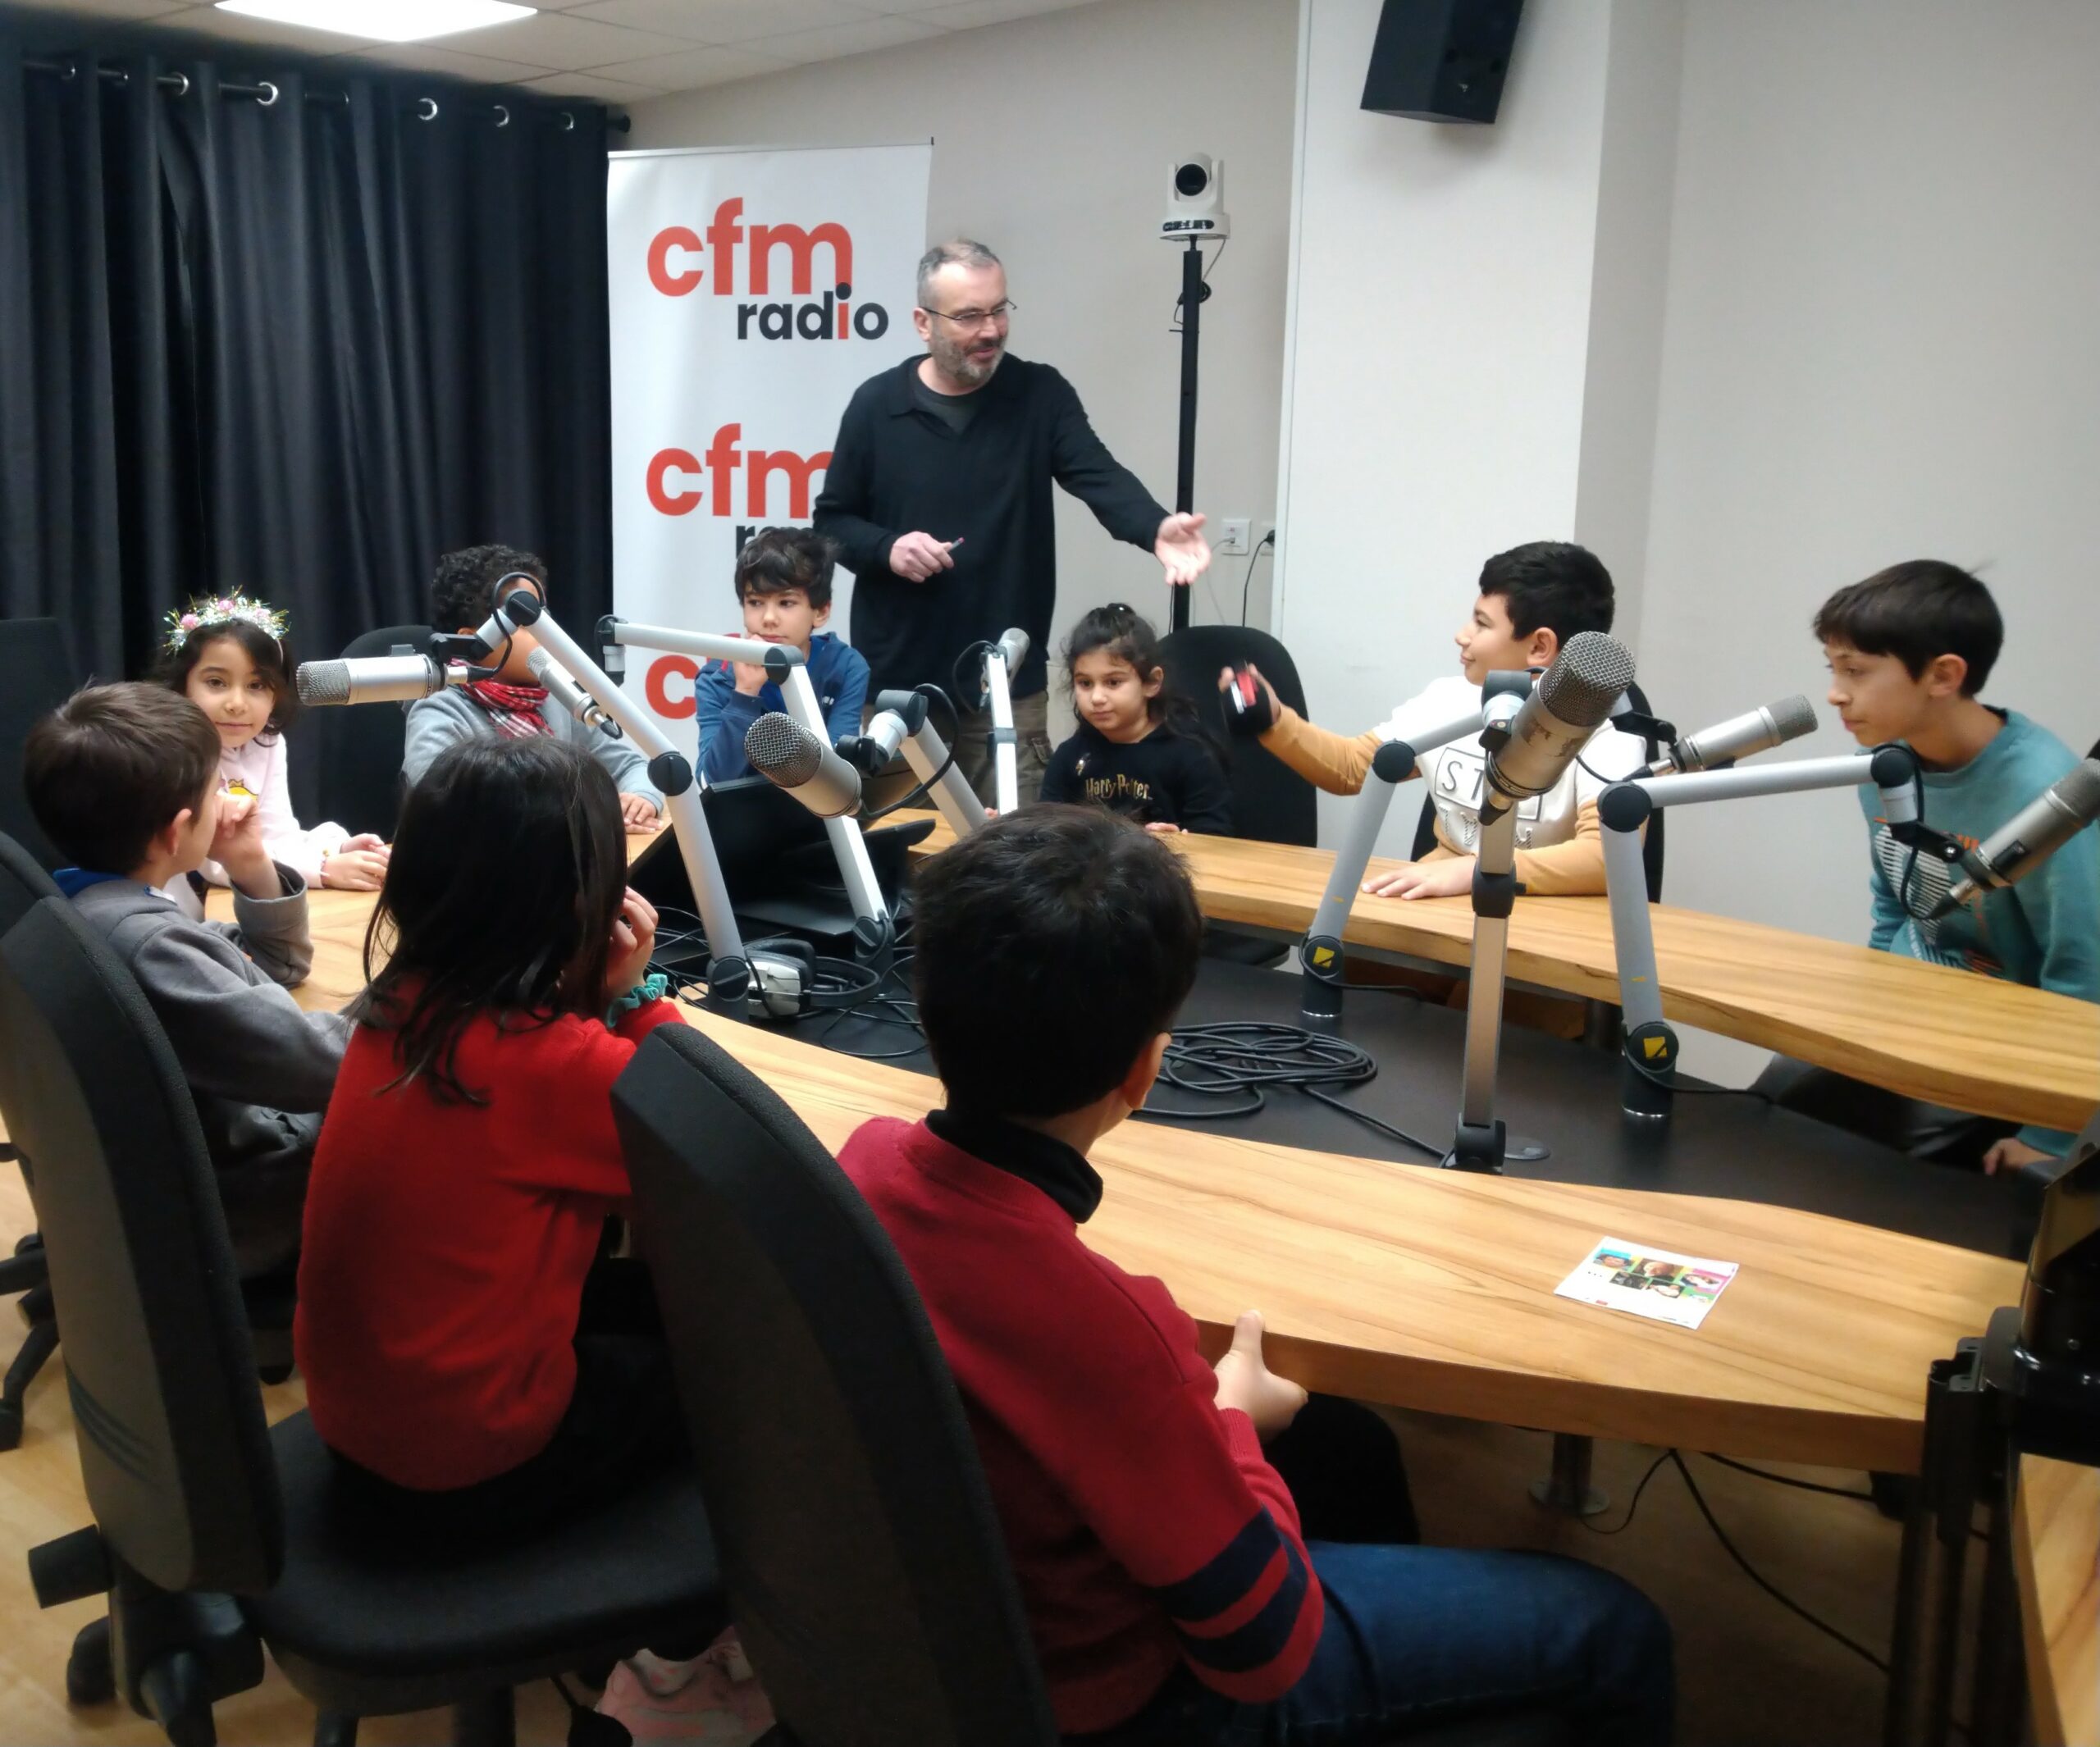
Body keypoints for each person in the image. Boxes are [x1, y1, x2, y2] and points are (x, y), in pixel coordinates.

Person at [837, 807, 1673, 1745]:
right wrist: (1231, 1419)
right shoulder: (1113, 1331)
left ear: (927, 1013)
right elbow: (1262, 1648)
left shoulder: (860, 1165)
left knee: (1350, 1447)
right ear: (1145, 1072)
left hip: (948, 1638)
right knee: (1615, 1627)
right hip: (1118, 1701)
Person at [295, 736, 685, 1547]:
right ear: (586, 902)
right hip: (468, 1466)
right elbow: (699, 1143)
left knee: (637, 1298)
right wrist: (638, 998)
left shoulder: (396, 1002)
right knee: (739, 1350)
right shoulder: (555, 1064)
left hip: (360, 1425)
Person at [813, 238, 1213, 807]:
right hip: (900, 693)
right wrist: (888, 548)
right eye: (969, 316)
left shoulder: (1038, 394)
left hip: (1006, 687)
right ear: (923, 323)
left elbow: (1097, 473)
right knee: (903, 849)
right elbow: (831, 523)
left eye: (999, 310)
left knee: (1014, 854)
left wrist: (1154, 528)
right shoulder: (876, 405)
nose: (991, 330)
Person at [1755, 561, 2100, 1174]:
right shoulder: (1885, 764)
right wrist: (1861, 1034)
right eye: (1833, 669)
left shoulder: (2044, 793)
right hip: (1909, 1023)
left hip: (1999, 1051)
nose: (1836, 693)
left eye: (1856, 671)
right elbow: (1893, 907)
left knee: (1834, 1163)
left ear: (1943, 675)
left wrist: (2050, 1135)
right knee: (1766, 1110)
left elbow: (2082, 968)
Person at [21, 683, 348, 1279]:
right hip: (242, 1201)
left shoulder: (91, 909)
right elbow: (323, 1068)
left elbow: (274, 966)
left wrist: (249, 863)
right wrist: (418, 994)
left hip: (166, 1182)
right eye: (216, 789)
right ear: (177, 832)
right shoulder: (151, 946)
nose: (227, 800)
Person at [1221, 542, 1646, 899]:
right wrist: (1275, 720)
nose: (1462, 635)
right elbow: (1351, 769)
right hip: (1443, 903)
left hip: (1541, 914)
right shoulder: (1449, 699)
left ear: (1539, 647)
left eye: (1481, 624)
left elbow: (1605, 858)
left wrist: (1478, 869)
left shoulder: (1608, 730)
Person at [403, 544, 664, 831]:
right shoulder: (439, 710)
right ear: (474, 641)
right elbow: (443, 809)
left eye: (544, 615)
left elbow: (631, 767)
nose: (547, 632)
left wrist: (640, 799)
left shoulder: (560, 698)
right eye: (526, 622)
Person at [154, 592, 390, 896]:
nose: (237, 704)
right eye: (216, 682)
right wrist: (322, 869)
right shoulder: (174, 753)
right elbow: (214, 860)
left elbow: (276, 835)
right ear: (181, 684)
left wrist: (334, 849)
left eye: (256, 685)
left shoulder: (266, 742)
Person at [696, 527, 870, 785]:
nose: (768, 618)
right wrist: (745, 694)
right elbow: (712, 781)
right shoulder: (716, 677)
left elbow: (838, 777)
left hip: (819, 808)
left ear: (821, 612)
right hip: (742, 809)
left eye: (786, 603)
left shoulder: (845, 667)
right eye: (755, 602)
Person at [1040, 604, 1232, 835]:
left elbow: (1216, 835)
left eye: (1113, 682)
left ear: (1152, 683)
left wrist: (1184, 840)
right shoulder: (1069, 756)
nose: (1097, 697)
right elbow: (1045, 830)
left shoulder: (1192, 756)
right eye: (1085, 683)